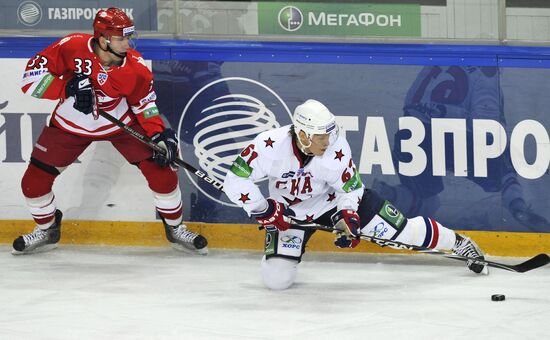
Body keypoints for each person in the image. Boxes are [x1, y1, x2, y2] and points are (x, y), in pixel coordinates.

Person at [224, 99, 488, 290]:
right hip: (290, 215)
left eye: (329, 135)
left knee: (402, 235)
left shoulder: (335, 147)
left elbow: (350, 188)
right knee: (276, 280)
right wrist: (263, 209)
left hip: (333, 204)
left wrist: (348, 216)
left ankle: (458, 243)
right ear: (302, 134)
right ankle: (282, 250)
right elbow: (234, 179)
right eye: (320, 137)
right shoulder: (269, 146)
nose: (327, 142)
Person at [13, 7, 208, 255]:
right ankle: (48, 229)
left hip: (120, 125)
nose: (128, 43)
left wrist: (160, 134)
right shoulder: (71, 46)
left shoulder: (136, 68)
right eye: (121, 38)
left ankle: (175, 228)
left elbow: (145, 106)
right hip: (71, 126)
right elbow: (29, 80)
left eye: (129, 36)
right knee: (33, 183)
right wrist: (67, 87)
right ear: (103, 39)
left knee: (163, 172)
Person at [373, 66, 548, 232]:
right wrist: (518, 159)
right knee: (501, 162)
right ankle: (517, 205)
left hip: (408, 136)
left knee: (428, 203)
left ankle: (388, 195)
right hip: (448, 137)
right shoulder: (486, 71)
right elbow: (488, 129)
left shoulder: (437, 60)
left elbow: (411, 102)